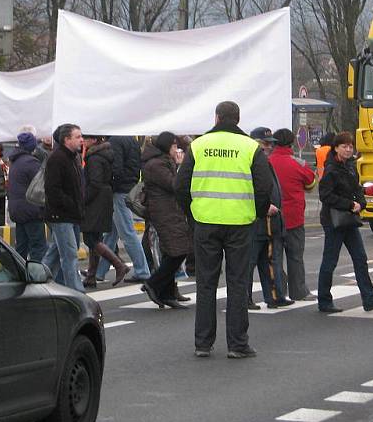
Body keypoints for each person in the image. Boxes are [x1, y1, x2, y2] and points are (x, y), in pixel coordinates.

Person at [175, 101, 275, 359]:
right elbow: (264, 187)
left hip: (206, 222)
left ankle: (203, 343)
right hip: (240, 223)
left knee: (206, 283)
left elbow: (181, 185)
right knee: (238, 283)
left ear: (216, 118)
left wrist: (193, 214)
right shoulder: (251, 147)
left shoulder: (198, 145)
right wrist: (257, 213)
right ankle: (237, 344)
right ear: (239, 119)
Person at [317, 132, 373, 313]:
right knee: (330, 261)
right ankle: (324, 300)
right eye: (344, 146)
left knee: (360, 258)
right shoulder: (331, 169)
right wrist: (348, 204)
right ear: (336, 148)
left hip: (350, 219)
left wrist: (360, 203)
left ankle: (369, 299)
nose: (348, 149)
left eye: (350, 146)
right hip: (334, 220)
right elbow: (325, 195)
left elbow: (357, 188)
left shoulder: (350, 166)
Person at [140, 132, 193, 309]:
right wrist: (180, 166)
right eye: (173, 146)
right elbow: (174, 185)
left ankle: (167, 293)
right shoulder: (156, 165)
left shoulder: (161, 161)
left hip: (171, 211)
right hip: (164, 213)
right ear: (165, 147)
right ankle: (154, 283)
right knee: (177, 251)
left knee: (174, 251)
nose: (176, 149)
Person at [269, 129, 316, 301]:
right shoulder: (298, 163)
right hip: (294, 217)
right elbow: (311, 183)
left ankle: (279, 291)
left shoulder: (267, 161)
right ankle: (299, 291)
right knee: (295, 256)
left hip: (272, 218)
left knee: (275, 257)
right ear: (292, 143)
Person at [97, 136, 152, 283]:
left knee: (127, 233)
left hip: (119, 190)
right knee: (110, 234)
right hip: (128, 187)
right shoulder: (131, 139)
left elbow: (117, 168)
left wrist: (111, 185)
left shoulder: (115, 140)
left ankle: (142, 271)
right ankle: (99, 272)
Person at [248, 127, 291, 309]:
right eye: (265, 143)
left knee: (268, 262)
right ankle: (245, 299)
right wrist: (265, 207)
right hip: (256, 221)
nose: (269, 147)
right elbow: (250, 191)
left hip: (268, 222)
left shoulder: (265, 161)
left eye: (271, 144)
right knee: (248, 263)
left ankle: (274, 296)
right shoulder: (250, 162)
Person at [81, 135, 130, 287]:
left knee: (90, 238)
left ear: (94, 140)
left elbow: (95, 182)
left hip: (96, 199)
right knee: (95, 237)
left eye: (87, 138)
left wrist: (84, 199)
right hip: (103, 197)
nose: (84, 141)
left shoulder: (94, 158)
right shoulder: (104, 154)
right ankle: (91, 275)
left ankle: (119, 265)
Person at [44, 124, 86, 293]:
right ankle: (76, 292)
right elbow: (53, 190)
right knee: (69, 256)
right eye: (77, 137)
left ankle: (37, 280)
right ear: (66, 139)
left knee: (55, 254)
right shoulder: (57, 158)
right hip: (61, 215)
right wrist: (71, 203)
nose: (81, 140)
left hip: (72, 214)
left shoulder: (73, 157)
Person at [8, 132, 47, 261]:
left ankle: (20, 274)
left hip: (18, 211)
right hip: (31, 211)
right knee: (38, 247)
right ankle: (37, 275)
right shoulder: (31, 163)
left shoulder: (15, 161)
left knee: (21, 246)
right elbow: (41, 185)